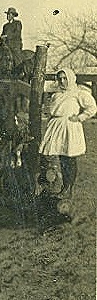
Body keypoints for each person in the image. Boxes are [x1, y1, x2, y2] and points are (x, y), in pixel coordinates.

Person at [38, 68, 97, 203]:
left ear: (71, 79)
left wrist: (80, 117)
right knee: (55, 158)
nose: (62, 81)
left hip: (69, 126)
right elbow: (52, 110)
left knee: (68, 158)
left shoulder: (78, 93)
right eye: (60, 79)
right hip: (55, 126)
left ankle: (67, 189)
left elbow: (92, 108)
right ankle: (53, 185)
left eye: (65, 78)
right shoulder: (56, 95)